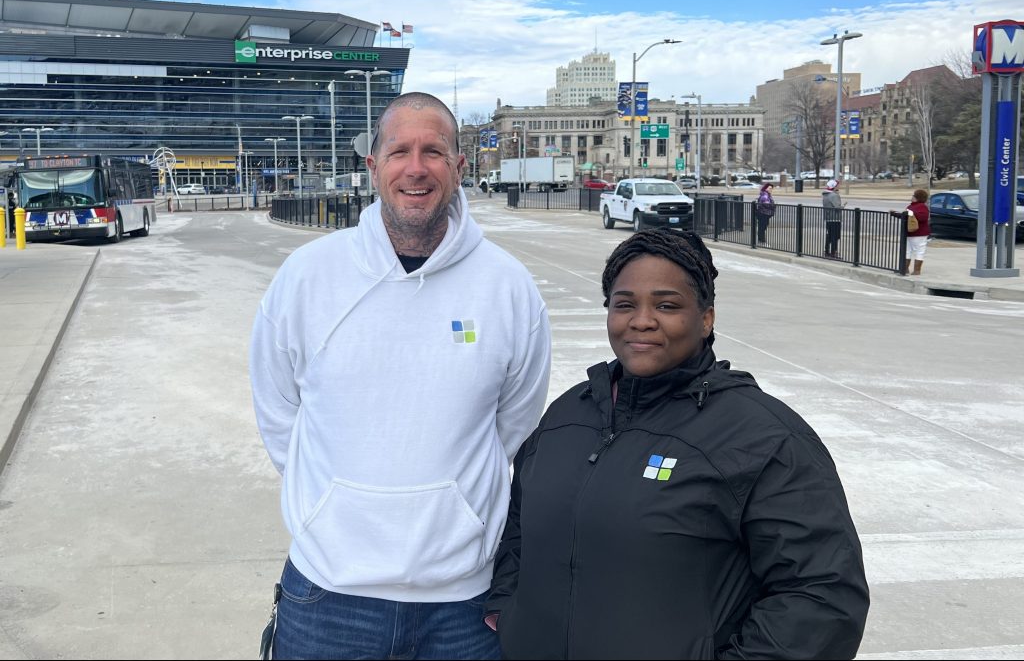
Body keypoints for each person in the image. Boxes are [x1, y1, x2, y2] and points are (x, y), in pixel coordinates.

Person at [249, 91, 553, 660]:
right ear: (374, 167)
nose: (416, 168)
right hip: (327, 594)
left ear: (460, 167)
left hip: (463, 604)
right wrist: (331, 505)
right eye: (399, 151)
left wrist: (454, 506)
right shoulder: (307, 278)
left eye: (434, 151)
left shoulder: (508, 288)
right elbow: (278, 412)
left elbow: (514, 423)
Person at [487, 228, 869, 660]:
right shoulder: (568, 416)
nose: (642, 320)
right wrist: (507, 610)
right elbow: (519, 525)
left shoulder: (763, 436)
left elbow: (822, 596)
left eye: (667, 305)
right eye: (624, 304)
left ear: (706, 318)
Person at [890, 188, 931, 275]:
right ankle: (906, 269)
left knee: (918, 251)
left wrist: (911, 214)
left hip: (918, 233)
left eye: (913, 195)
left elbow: (922, 218)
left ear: (917, 197)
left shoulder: (921, 207)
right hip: (911, 233)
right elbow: (906, 217)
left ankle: (916, 270)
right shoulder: (912, 206)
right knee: (910, 251)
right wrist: (895, 214)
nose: (912, 197)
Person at [822, 178, 845, 259]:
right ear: (834, 186)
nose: (839, 186)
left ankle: (827, 251)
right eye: (838, 184)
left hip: (828, 218)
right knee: (835, 236)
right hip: (835, 218)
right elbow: (837, 207)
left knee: (829, 235)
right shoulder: (834, 195)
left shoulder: (825, 195)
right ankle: (833, 252)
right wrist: (843, 206)